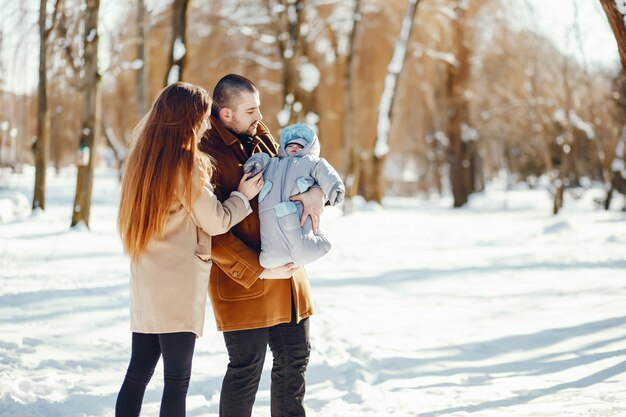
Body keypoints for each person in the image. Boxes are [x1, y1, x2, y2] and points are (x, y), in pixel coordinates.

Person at [115, 81, 264, 417]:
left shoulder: (142, 160)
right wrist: (243, 196)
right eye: (202, 117)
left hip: (146, 280)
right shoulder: (186, 163)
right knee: (177, 379)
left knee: (138, 372)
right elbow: (215, 220)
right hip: (177, 284)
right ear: (187, 120)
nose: (207, 124)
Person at [199, 74, 326, 417]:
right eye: (251, 110)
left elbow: (301, 172)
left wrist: (318, 193)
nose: (260, 116)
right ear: (226, 114)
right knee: (246, 369)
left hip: (287, 272)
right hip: (244, 279)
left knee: (294, 359)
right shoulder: (204, 154)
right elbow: (208, 231)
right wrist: (258, 270)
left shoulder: (262, 135)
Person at [243, 122, 345, 269]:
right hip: (268, 214)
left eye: (300, 146)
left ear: (309, 149)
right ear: (284, 147)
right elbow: (261, 159)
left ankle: (311, 247)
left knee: (299, 237)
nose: (295, 148)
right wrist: (255, 164)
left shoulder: (311, 162)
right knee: (271, 238)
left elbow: (325, 172)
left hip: (297, 210)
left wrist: (334, 189)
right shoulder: (273, 162)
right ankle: (270, 257)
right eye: (291, 145)